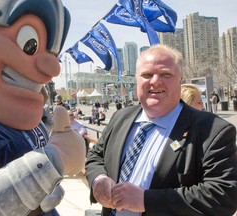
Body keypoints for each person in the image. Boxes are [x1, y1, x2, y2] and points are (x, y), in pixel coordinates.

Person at [0, 1, 86, 215]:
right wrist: (55, 157)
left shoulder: (34, 123)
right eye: (30, 44)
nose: (53, 69)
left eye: (54, 55)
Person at [85, 44, 237, 216]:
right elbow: (96, 155)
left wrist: (145, 200)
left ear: (180, 80)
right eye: (147, 75)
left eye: (166, 74)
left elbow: (223, 196)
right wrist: (99, 179)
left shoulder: (213, 131)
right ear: (137, 81)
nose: (155, 81)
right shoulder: (120, 117)